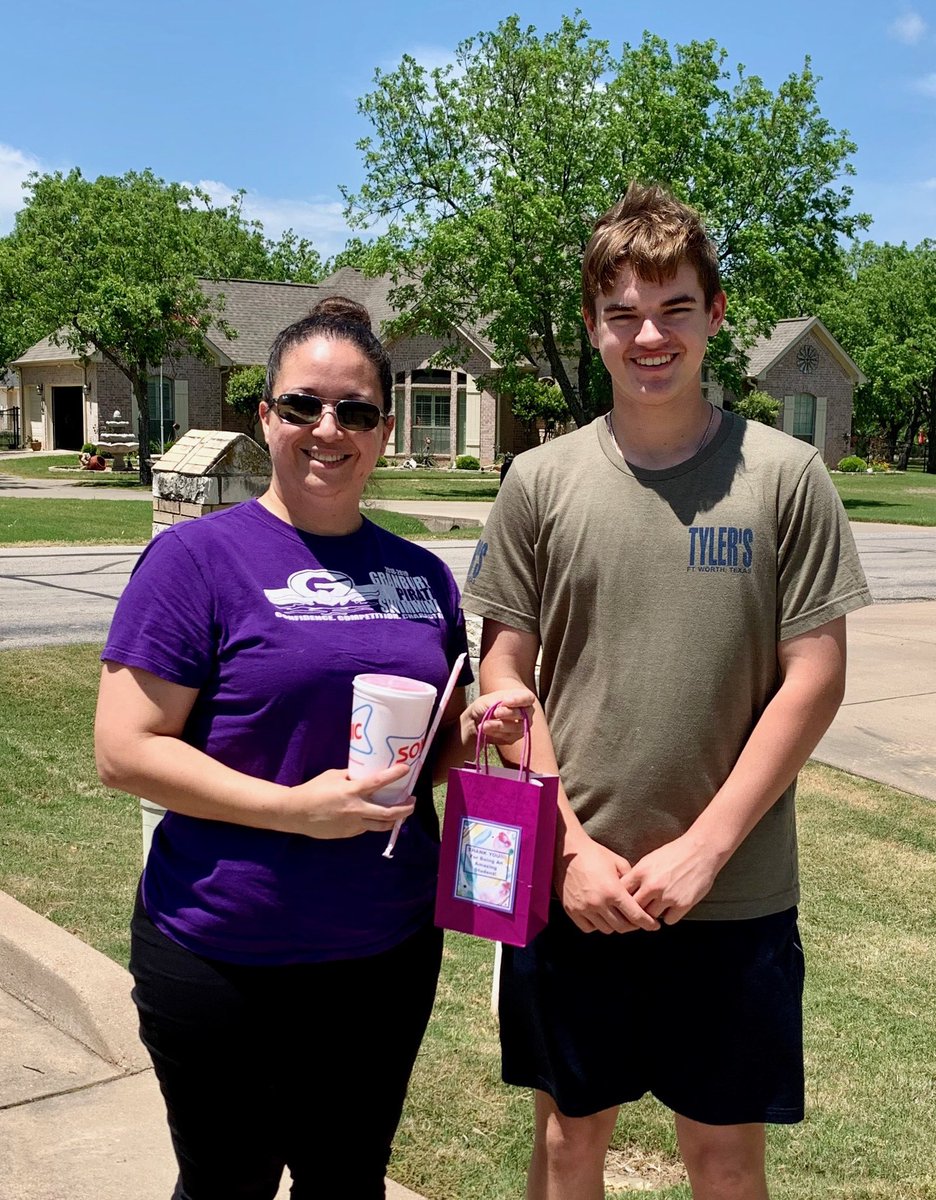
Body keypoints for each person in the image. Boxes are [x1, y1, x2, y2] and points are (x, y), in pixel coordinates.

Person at [461, 183, 873, 1200]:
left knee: (725, 1158)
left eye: (675, 307)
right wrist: (566, 854)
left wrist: (705, 846)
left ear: (715, 316)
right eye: (623, 312)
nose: (650, 334)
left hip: (733, 897)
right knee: (568, 1144)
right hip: (573, 887)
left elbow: (814, 678)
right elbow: (506, 673)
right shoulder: (540, 481)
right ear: (593, 325)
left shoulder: (784, 477)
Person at [95, 296, 533, 1200]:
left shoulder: (419, 575)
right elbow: (126, 751)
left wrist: (471, 732)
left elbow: (420, 752)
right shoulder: (197, 562)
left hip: (384, 951)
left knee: (348, 1182)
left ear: (382, 428)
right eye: (303, 406)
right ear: (265, 417)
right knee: (229, 1184)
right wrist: (295, 811)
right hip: (222, 951)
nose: (329, 429)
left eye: (356, 410)